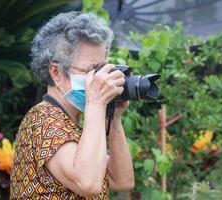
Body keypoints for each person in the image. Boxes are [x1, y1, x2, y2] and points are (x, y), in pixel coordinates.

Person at [10, 11, 134, 199]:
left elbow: (122, 181)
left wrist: (113, 115)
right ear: (56, 72)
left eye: (102, 69)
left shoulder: (70, 125)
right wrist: (97, 103)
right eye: (92, 70)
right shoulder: (43, 120)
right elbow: (88, 183)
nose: (101, 79)